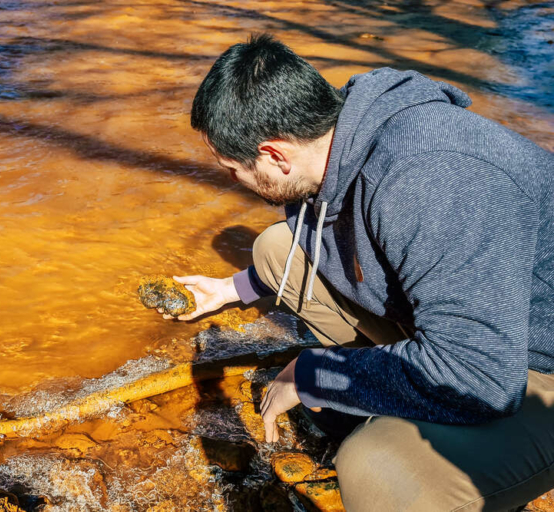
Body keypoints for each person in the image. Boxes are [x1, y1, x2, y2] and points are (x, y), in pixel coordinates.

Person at [163, 34, 554, 511]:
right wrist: (229, 288)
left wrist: (318, 373)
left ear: (275, 154)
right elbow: (312, 245)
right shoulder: (338, 142)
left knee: (375, 468)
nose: (232, 181)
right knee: (275, 248)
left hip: (527, 364)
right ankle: (393, 399)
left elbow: (482, 377)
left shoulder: (433, 178)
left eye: (232, 169)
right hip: (482, 335)